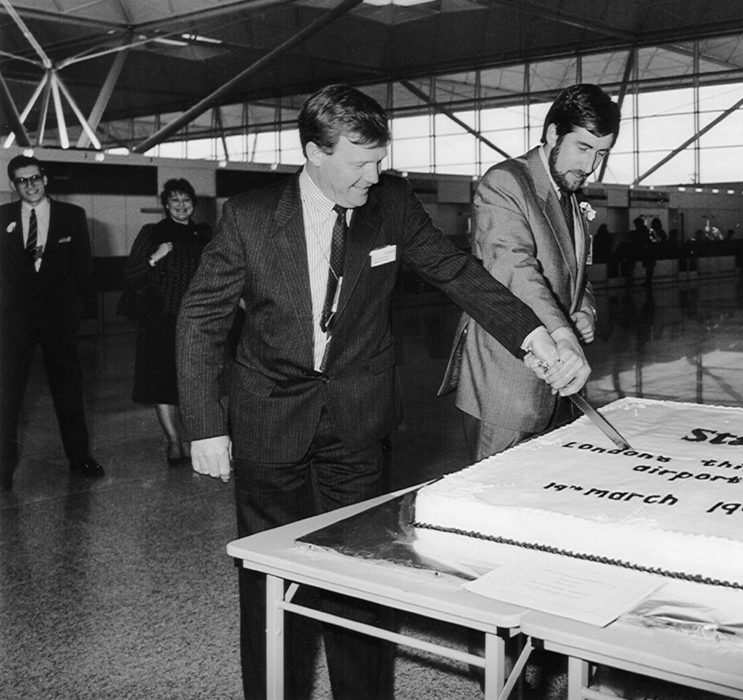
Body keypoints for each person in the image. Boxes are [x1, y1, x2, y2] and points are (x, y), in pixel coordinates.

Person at [176, 84, 584, 700]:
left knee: (360, 580)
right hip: (269, 417)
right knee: (267, 581)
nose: (376, 174)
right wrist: (205, 426)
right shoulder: (252, 217)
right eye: (360, 162)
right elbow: (199, 320)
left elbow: (458, 273)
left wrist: (534, 337)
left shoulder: (390, 203)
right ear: (315, 152)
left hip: (359, 419)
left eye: (381, 159)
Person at [446, 83, 619, 462]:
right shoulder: (506, 182)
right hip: (507, 381)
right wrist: (561, 332)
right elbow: (514, 270)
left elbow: (575, 274)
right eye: (584, 148)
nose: (590, 166)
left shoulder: (569, 193)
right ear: (554, 133)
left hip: (557, 384)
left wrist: (585, 311)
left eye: (601, 153)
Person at [0, 155, 103, 491]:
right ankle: (3, 468)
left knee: (68, 389)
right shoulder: (1, 218)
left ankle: (79, 456)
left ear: (44, 178)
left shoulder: (72, 216)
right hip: (14, 321)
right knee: (7, 394)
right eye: (22, 180)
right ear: (13, 185)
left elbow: (84, 268)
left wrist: (65, 304)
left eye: (35, 178)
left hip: (58, 319)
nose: (30, 185)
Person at [123, 178, 211, 465]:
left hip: (196, 320)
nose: (181, 205)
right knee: (161, 382)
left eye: (186, 200)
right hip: (159, 320)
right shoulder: (152, 233)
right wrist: (155, 257)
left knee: (194, 383)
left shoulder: (203, 234)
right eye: (175, 200)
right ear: (166, 204)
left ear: (193, 204)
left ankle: (190, 438)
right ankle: (173, 441)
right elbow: (132, 276)